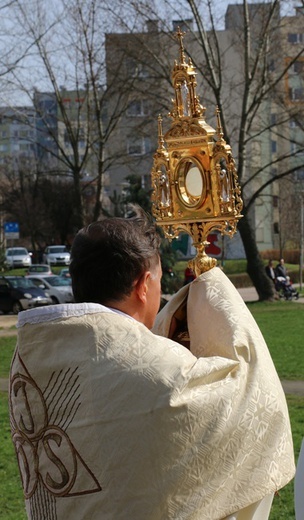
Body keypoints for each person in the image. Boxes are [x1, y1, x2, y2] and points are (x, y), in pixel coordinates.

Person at [9, 208, 295, 520]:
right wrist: (213, 291)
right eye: (159, 281)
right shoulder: (159, 370)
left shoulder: (35, 357)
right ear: (144, 285)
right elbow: (251, 397)